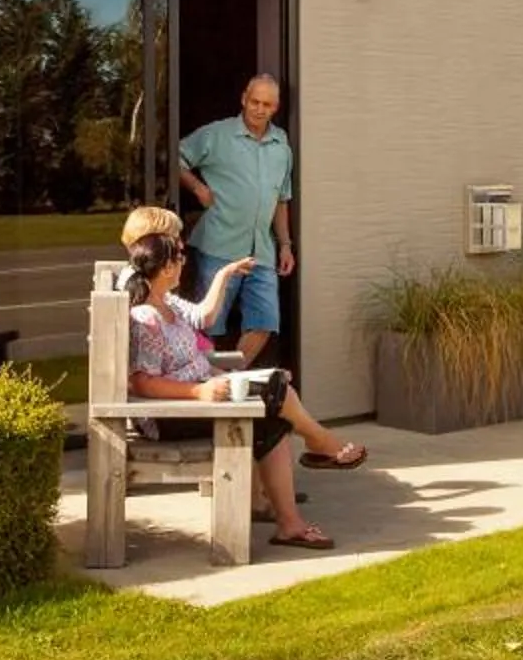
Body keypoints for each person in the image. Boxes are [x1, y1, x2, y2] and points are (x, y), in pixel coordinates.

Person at [119, 214, 365, 550]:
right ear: (164, 267)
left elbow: (200, 324)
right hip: (173, 414)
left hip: (198, 396)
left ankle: (293, 516)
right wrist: (199, 391)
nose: (184, 259)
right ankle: (320, 447)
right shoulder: (146, 316)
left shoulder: (165, 301)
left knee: (276, 400)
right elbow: (142, 383)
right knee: (278, 401)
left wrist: (218, 378)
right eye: (179, 255)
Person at [177, 73, 295, 365]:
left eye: (267, 104)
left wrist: (285, 245)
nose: (259, 109)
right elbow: (175, 158)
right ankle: (206, 388)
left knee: (265, 323)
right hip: (220, 246)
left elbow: (281, 199)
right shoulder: (216, 135)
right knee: (207, 325)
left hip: (262, 252)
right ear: (244, 99)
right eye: (254, 101)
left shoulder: (282, 145)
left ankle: (226, 380)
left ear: (275, 107)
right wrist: (197, 187)